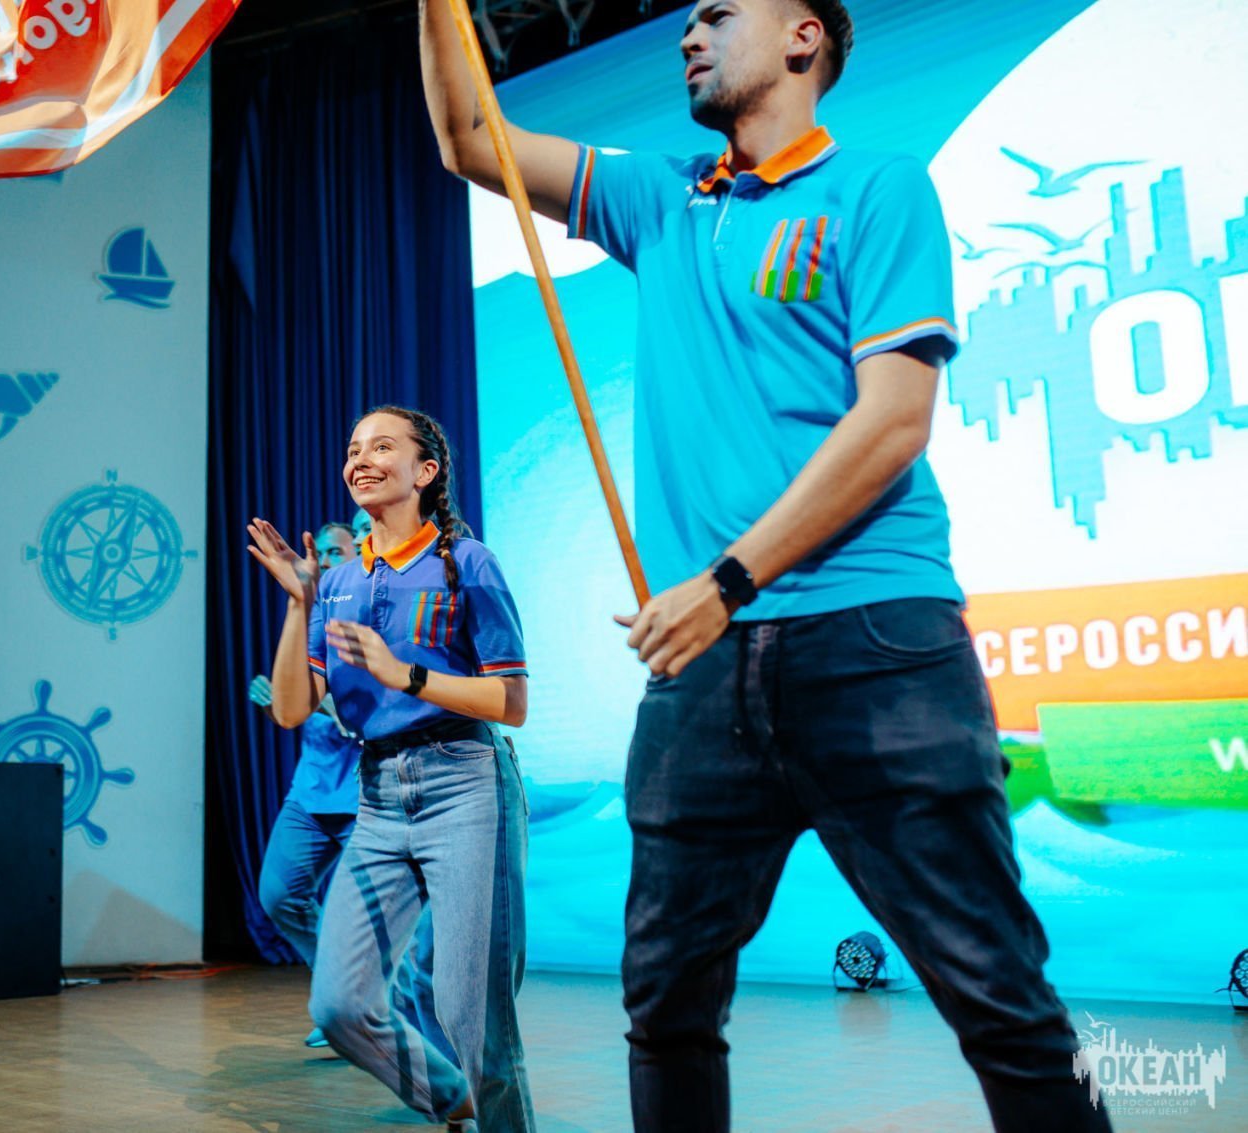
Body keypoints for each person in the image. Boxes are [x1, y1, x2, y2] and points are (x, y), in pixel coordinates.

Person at [418, 2, 1110, 1131]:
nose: (687, 35)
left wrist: (726, 579)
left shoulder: (877, 190)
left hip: (873, 642)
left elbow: (893, 421)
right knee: (665, 1002)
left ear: (802, 37)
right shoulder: (658, 199)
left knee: (998, 996)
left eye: (717, 14)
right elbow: (465, 138)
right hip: (703, 672)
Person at [247, 406, 535, 1131]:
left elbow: (511, 701)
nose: (361, 459)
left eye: (382, 446)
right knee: (339, 1006)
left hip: (465, 783)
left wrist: (406, 675)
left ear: (425, 471)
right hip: (377, 794)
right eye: (354, 449)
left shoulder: (468, 562)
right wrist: (299, 603)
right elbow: (291, 707)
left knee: (472, 1015)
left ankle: (490, 1110)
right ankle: (451, 1097)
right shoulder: (337, 580)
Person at [251, 521, 447, 1054]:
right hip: (312, 790)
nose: (328, 560)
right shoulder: (313, 613)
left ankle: (370, 1010)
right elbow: (296, 704)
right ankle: (343, 995)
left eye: (340, 550)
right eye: (324, 552)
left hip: (370, 791)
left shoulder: (378, 611)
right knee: (278, 894)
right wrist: (276, 702)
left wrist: (317, 701)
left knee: (374, 921)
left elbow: (367, 710)